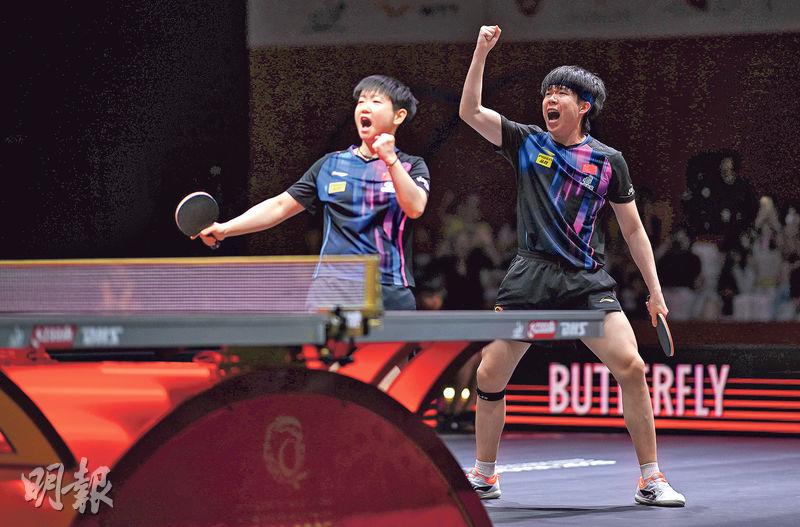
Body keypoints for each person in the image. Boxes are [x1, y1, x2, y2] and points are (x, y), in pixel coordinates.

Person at [458, 25, 685, 507]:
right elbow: (470, 111)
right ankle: (484, 474)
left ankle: (650, 479)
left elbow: (633, 230)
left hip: (585, 279)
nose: (550, 99)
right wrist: (480, 52)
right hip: (529, 276)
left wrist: (655, 291)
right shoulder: (526, 142)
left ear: (584, 106)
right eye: (547, 92)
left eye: (561, 92)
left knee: (632, 366)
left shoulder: (608, 161)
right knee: (489, 376)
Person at [196, 75, 430, 310]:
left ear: (399, 116)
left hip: (389, 287)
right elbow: (280, 206)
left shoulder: (411, 166)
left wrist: (390, 160)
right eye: (361, 101)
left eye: (376, 102)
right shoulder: (330, 165)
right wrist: (225, 229)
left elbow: (415, 207)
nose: (364, 107)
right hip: (332, 287)